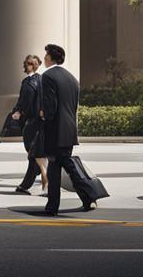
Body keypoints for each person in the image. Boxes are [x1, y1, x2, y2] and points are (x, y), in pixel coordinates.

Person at [39, 43, 97, 215]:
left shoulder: (48, 76)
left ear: (50, 57)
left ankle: (89, 195)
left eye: (46, 55)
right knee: (56, 166)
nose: (44, 58)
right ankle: (53, 206)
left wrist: (43, 114)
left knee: (66, 165)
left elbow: (51, 107)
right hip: (69, 129)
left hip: (55, 130)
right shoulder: (72, 78)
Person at [13, 54, 47, 195]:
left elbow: (24, 101)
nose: (27, 66)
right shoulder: (41, 80)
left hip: (31, 122)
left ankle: (45, 176)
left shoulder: (27, 82)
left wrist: (18, 112)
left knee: (33, 152)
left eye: (29, 63)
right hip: (41, 121)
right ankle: (27, 184)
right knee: (37, 152)